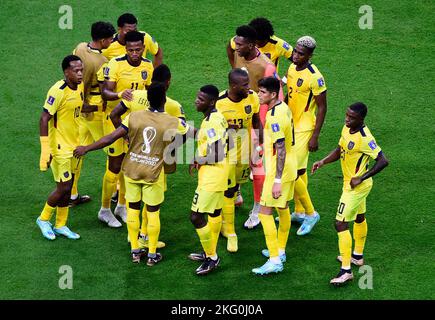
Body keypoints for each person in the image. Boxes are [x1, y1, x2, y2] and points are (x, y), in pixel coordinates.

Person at [74, 82, 191, 265]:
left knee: (134, 210)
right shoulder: (172, 121)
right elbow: (192, 133)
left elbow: (110, 137)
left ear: (149, 99)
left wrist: (86, 148)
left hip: (131, 170)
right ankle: (152, 254)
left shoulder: (134, 117)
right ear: (164, 99)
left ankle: (135, 250)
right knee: (152, 212)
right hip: (153, 172)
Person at [312, 102, 388, 286]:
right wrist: (323, 161)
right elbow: (340, 150)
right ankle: (357, 256)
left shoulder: (365, 137)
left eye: (351, 117)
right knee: (359, 217)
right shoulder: (347, 128)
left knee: (340, 223)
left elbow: (383, 160)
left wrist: (361, 177)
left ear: (361, 119)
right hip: (351, 183)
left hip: (356, 187)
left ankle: (345, 271)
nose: (347, 119)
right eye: (346, 115)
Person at [110, 63, 185, 249]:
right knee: (152, 206)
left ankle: (134, 242)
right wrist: (169, 151)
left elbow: (114, 115)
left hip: (135, 157)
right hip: (156, 162)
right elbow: (184, 135)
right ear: (168, 82)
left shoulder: (134, 96)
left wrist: (128, 138)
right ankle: (145, 238)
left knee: (134, 203)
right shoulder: (173, 106)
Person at [99, 30, 154, 228]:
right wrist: (119, 94)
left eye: (138, 49)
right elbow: (105, 92)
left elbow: (149, 94)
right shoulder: (115, 64)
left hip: (137, 124)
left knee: (129, 166)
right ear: (126, 49)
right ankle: (104, 209)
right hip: (114, 120)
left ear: (143, 48)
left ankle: (121, 205)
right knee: (114, 166)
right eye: (130, 50)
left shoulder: (148, 66)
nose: (134, 53)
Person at [231, 24, 283, 229]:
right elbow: (231, 53)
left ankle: (258, 210)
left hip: (257, 122)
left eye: (240, 44)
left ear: (252, 45)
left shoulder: (266, 66)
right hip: (236, 117)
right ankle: (235, 193)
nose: (236, 47)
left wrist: (264, 127)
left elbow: (276, 97)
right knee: (234, 157)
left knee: (258, 169)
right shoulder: (237, 49)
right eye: (236, 42)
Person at [252, 77, 297, 275]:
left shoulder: (275, 116)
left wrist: (277, 180)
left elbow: (281, 149)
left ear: (272, 94)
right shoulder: (282, 107)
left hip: (279, 171)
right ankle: (280, 250)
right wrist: (263, 147)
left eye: (262, 92)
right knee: (283, 208)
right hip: (289, 167)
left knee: (264, 213)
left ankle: (274, 260)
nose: (259, 95)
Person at [36, 55, 84, 240]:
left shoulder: (79, 87)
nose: (80, 73)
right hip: (60, 148)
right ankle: (43, 218)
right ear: (66, 72)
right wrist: (45, 149)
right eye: (76, 70)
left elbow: (78, 109)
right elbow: (44, 118)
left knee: (69, 186)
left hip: (75, 145)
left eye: (81, 69)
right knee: (63, 188)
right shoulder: (58, 91)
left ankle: (61, 224)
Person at [283, 36, 326, 235]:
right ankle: (299, 211)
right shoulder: (292, 68)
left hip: (304, 128)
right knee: (299, 171)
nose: (295, 55)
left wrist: (315, 136)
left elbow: (323, 107)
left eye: (301, 53)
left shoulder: (315, 77)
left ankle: (311, 213)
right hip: (289, 125)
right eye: (295, 51)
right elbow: (286, 88)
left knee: (291, 170)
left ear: (310, 55)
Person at [69, 21, 116, 208]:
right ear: (103, 40)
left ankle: (71, 194)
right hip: (94, 109)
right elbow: (105, 91)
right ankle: (115, 191)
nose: (112, 41)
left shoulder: (80, 47)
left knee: (78, 150)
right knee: (111, 150)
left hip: (79, 110)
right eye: (110, 38)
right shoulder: (102, 62)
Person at [215, 68, 262, 252]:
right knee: (226, 189)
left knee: (235, 187)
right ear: (233, 86)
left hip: (245, 151)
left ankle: (226, 213)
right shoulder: (219, 103)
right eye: (244, 85)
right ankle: (229, 230)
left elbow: (257, 121)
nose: (249, 88)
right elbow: (211, 128)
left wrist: (260, 145)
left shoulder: (253, 97)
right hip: (226, 153)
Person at [187, 85, 229, 275]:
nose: (196, 100)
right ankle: (208, 251)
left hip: (213, 175)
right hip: (217, 173)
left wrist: (198, 159)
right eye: (197, 96)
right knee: (214, 212)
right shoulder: (213, 117)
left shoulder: (212, 122)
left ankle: (212, 257)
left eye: (201, 99)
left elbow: (218, 153)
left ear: (211, 102)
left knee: (196, 216)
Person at [227, 17, 293, 72]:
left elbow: (298, 60)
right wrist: (234, 69)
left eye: (254, 41)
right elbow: (230, 48)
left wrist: (284, 80)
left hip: (267, 83)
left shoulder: (278, 44)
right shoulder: (243, 40)